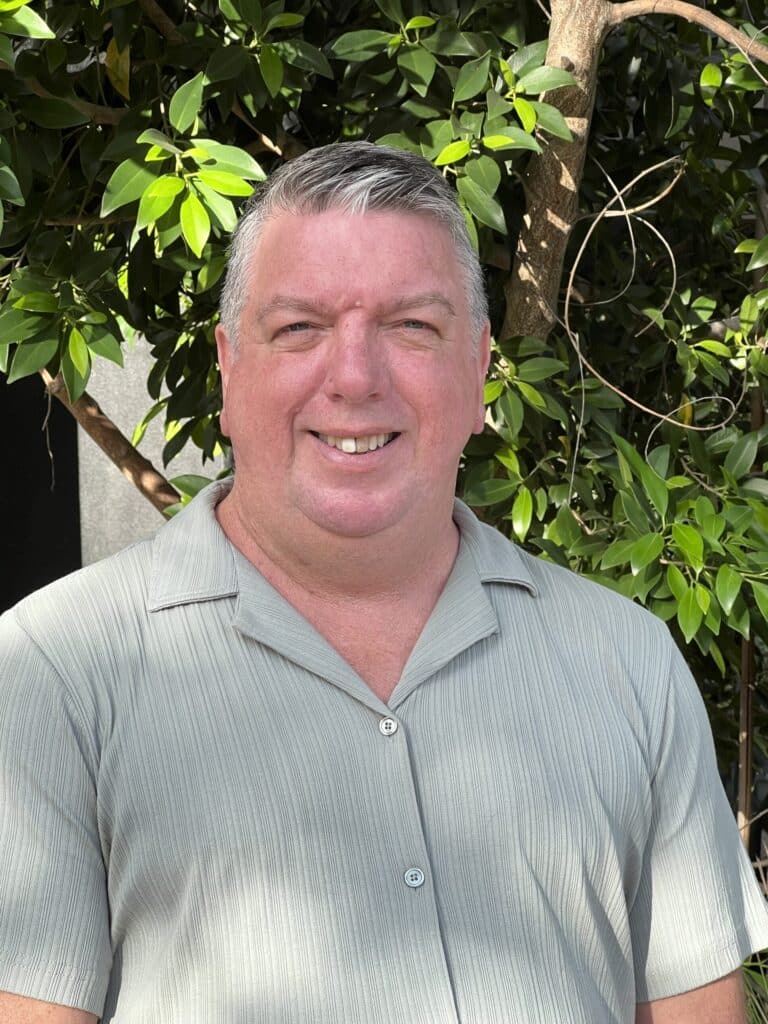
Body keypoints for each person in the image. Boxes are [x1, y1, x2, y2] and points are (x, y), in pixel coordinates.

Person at [0, 142, 766, 1024]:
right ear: (229, 368)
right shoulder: (52, 674)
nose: (356, 378)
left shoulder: (628, 664)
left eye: (411, 326)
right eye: (300, 327)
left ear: (478, 368)